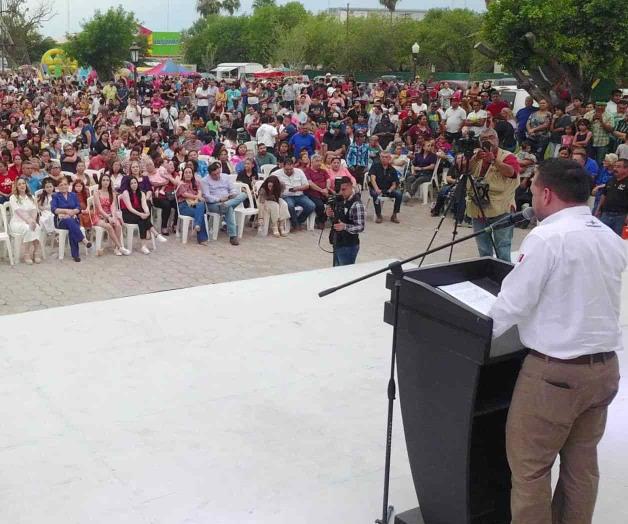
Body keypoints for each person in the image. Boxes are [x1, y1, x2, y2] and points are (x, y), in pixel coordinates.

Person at [489, 158, 625, 524]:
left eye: (532, 190)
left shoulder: (547, 237)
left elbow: (511, 305)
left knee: (530, 470)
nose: (530, 197)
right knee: (582, 468)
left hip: (554, 376)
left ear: (546, 193)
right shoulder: (609, 237)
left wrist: (472, 333)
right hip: (604, 371)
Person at [465, 128, 521, 261]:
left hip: (501, 209)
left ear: (497, 139)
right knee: (483, 248)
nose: (487, 141)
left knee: (502, 247)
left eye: (491, 137)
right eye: (484, 139)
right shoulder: (476, 156)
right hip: (478, 208)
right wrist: (474, 159)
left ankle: (503, 277)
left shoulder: (508, 156)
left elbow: (511, 173)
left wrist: (494, 160)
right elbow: (465, 171)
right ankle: (486, 275)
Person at [200, 161, 247, 245]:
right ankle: (233, 236)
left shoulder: (225, 177)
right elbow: (207, 196)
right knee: (229, 209)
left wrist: (231, 194)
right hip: (214, 204)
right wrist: (219, 199)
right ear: (210, 174)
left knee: (243, 194)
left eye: (218, 173)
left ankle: (226, 204)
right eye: (214, 175)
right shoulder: (205, 180)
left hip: (228, 200)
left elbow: (232, 189)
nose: (217, 176)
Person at [325, 176, 365, 266]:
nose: (342, 192)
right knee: (336, 272)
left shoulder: (357, 204)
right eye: (340, 190)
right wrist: (330, 215)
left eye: (344, 189)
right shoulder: (340, 200)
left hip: (349, 245)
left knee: (345, 273)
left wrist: (345, 226)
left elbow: (360, 227)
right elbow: (337, 220)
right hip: (337, 241)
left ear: (351, 187)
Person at [51, 177, 92, 262]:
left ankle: (76, 255)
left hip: (73, 218)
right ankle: (83, 240)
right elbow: (54, 209)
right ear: (58, 187)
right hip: (60, 221)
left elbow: (78, 207)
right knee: (70, 222)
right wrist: (66, 211)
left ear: (68, 185)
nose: (63, 186)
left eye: (65, 184)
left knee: (71, 224)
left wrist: (73, 212)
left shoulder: (73, 195)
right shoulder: (55, 196)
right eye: (61, 185)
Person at [274, 157, 316, 231]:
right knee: (290, 206)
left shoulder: (299, 171)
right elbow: (269, 183)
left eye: (291, 169)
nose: (289, 171)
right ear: (283, 167)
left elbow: (306, 185)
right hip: (286, 196)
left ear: (293, 166)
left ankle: (298, 221)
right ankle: (295, 224)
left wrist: (297, 188)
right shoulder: (276, 173)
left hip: (299, 195)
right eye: (287, 169)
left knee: (311, 206)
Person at [92, 173, 129, 256]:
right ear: (100, 182)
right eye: (104, 180)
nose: (106, 182)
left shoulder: (112, 193)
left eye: (107, 180)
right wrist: (108, 217)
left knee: (118, 225)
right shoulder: (97, 193)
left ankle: (116, 249)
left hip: (110, 215)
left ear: (110, 182)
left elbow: (113, 207)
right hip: (99, 216)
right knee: (108, 226)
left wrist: (113, 217)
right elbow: (99, 209)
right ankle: (120, 247)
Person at [9, 177, 43, 264]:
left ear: (26, 185)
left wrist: (33, 221)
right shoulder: (13, 197)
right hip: (17, 222)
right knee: (28, 228)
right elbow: (19, 212)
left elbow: (34, 210)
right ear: (16, 186)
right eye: (19, 184)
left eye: (23, 183)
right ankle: (26, 253)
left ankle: (36, 252)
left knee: (37, 227)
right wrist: (30, 221)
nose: (22, 186)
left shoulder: (31, 196)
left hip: (31, 220)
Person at [120, 176, 155, 254]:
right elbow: (130, 208)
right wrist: (141, 214)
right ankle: (155, 233)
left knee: (142, 220)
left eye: (135, 182)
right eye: (131, 183)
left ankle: (144, 246)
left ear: (137, 183)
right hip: (127, 214)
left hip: (136, 214)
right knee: (142, 218)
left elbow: (144, 205)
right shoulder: (125, 193)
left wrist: (147, 212)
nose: (133, 184)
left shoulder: (141, 193)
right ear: (129, 185)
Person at [176, 166, 208, 245]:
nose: (188, 174)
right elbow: (185, 194)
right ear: (183, 174)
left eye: (190, 172)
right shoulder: (181, 184)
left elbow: (200, 192)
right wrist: (198, 197)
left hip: (195, 205)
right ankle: (202, 239)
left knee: (200, 205)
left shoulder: (197, 183)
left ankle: (197, 225)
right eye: (186, 172)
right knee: (200, 213)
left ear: (192, 174)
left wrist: (198, 198)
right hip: (184, 206)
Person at [595, 158, 628, 235]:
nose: (615, 169)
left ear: (626, 169)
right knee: (603, 236)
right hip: (606, 214)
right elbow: (604, 195)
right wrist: (598, 208)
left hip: (621, 216)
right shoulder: (610, 180)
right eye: (615, 166)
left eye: (618, 167)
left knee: (618, 239)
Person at [368, 151, 403, 224]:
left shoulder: (392, 169)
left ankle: (394, 215)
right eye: (382, 157)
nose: (384, 159)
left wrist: (390, 189)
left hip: (387, 189)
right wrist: (376, 189)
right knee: (375, 194)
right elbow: (372, 179)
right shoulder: (375, 166)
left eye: (386, 157)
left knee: (399, 194)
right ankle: (378, 215)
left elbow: (394, 183)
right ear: (380, 158)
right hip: (376, 188)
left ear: (389, 158)